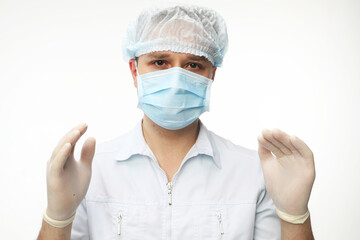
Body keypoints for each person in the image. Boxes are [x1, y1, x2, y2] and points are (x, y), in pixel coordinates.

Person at [37, 3, 315, 240]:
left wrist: (295, 217)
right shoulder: (90, 172)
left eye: (193, 65)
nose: (176, 79)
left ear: (212, 74)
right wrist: (57, 218)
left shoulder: (253, 172)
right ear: (135, 70)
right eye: (160, 62)